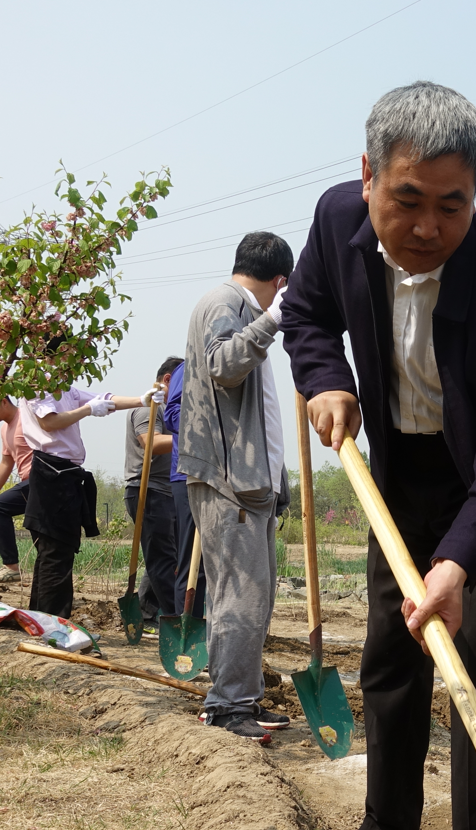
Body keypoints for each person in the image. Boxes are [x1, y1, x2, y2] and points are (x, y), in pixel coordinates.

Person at [283, 81, 476, 830]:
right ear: (367, 176)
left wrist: (458, 562)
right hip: (398, 468)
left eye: (453, 205)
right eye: (407, 199)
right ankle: (388, 824)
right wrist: (327, 382)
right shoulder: (336, 224)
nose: (429, 227)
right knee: (390, 648)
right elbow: (305, 313)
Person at [178, 234, 295, 745]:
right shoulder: (226, 305)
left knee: (253, 596)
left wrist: (279, 481)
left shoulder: (237, 306)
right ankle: (227, 707)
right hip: (231, 484)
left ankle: (240, 699)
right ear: (280, 281)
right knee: (239, 598)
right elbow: (224, 366)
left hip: (252, 484)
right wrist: (272, 322)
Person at [21, 384, 154, 618]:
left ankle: (42, 619)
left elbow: (104, 398)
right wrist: (87, 410)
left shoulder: (64, 388)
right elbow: (49, 422)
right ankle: (53, 622)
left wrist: (141, 400)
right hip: (52, 473)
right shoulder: (38, 382)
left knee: (55, 552)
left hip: (64, 473)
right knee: (55, 552)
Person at [123, 356, 183, 629]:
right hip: (146, 490)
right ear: (168, 379)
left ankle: (148, 612)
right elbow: (150, 443)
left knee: (165, 555)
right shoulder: (149, 408)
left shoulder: (173, 409)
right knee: (162, 557)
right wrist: (191, 437)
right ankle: (175, 618)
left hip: (169, 491)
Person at [162, 359, 206, 620]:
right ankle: (186, 623)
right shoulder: (188, 368)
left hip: (220, 478)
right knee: (191, 562)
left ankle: (209, 626)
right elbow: (173, 415)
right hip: (188, 477)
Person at [0, 397, 35, 584]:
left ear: (3, 400)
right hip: (28, 483)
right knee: (37, 529)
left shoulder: (28, 417)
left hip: (42, 480)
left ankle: (11, 567)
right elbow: (6, 462)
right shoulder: (4, 429)